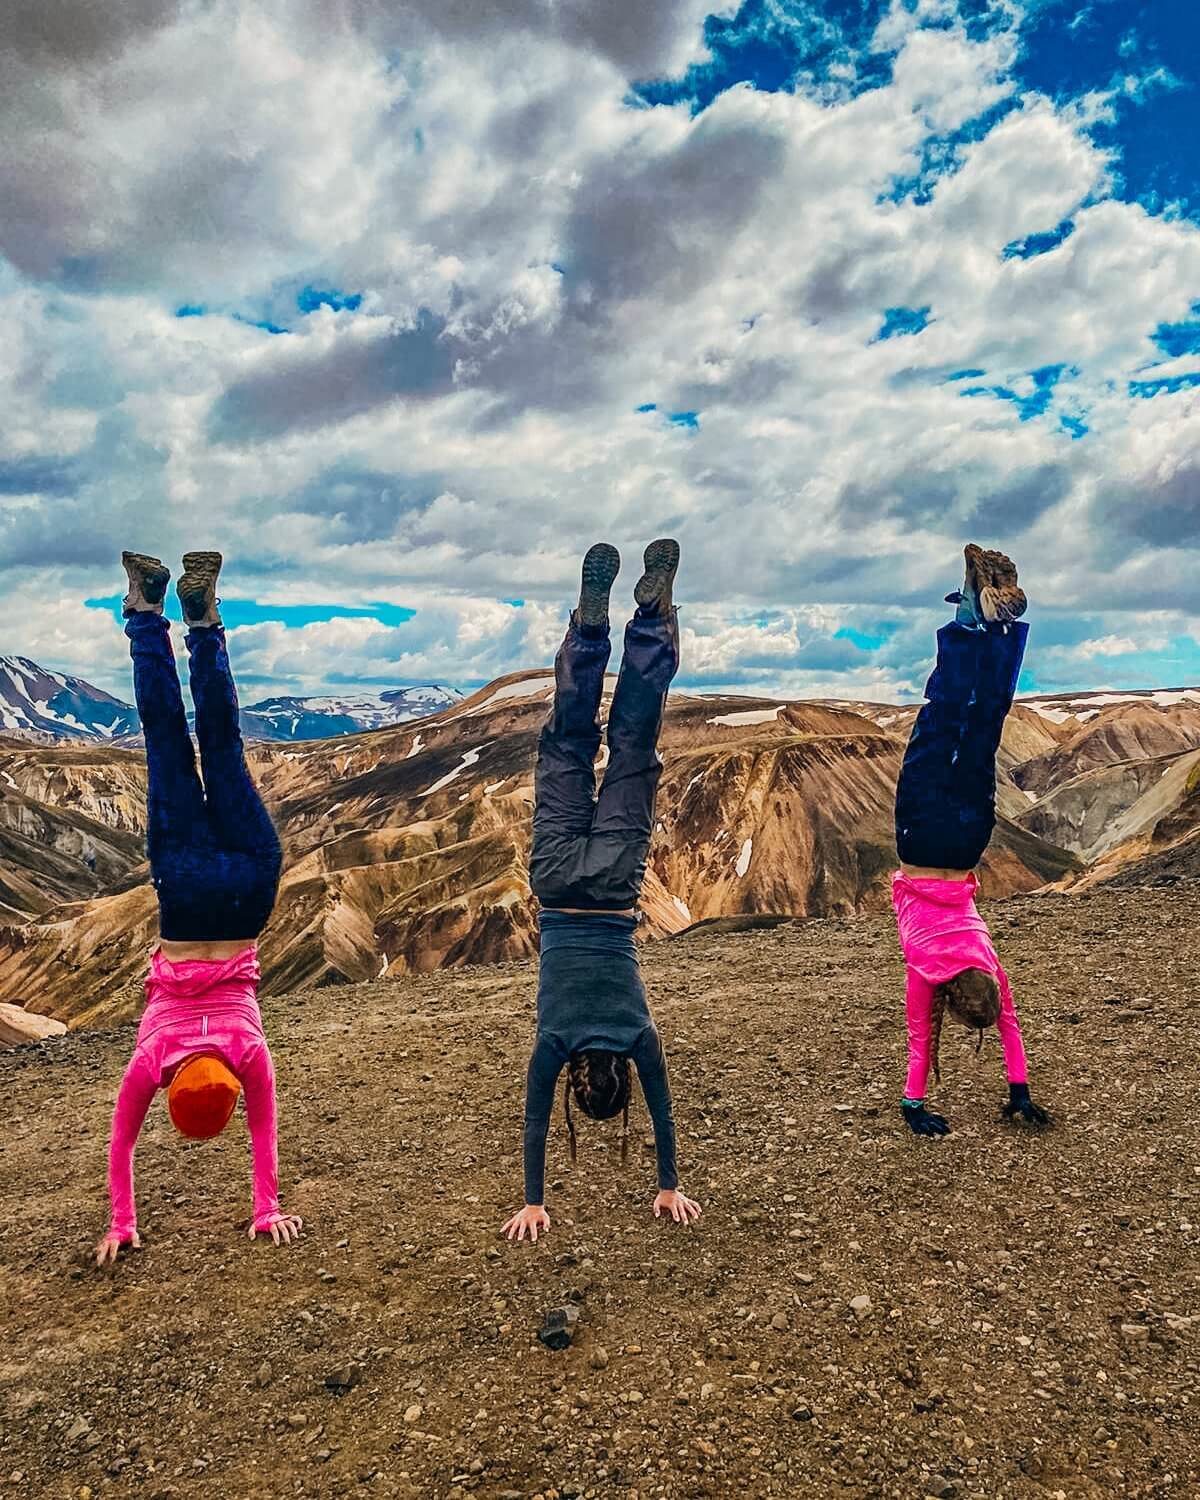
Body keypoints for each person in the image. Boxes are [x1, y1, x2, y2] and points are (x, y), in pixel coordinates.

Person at [95, 550, 300, 1266]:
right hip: (182, 895)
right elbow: (119, 1146)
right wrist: (119, 1222)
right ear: (175, 1090)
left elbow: (265, 1136)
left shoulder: (248, 1055)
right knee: (167, 744)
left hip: (248, 888)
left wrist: (267, 1206)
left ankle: (205, 622)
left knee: (220, 746)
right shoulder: (153, 1060)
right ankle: (147, 610)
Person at [502, 541, 702, 1242]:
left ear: (615, 1076)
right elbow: (531, 1123)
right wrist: (533, 1200)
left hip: (615, 886)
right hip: (557, 884)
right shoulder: (552, 1041)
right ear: (575, 1081)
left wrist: (670, 1182)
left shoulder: (638, 1036)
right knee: (565, 744)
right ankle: (588, 635)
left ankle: (648, 621)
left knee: (635, 745)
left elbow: (666, 1115)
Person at [892, 544, 1051, 1138]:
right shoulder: (928, 973)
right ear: (953, 1003)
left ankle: (995, 624)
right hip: (919, 837)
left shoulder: (989, 963)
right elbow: (916, 1039)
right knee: (941, 717)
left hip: (966, 842)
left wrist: (1021, 1090)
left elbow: (1009, 1025)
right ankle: (969, 621)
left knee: (984, 729)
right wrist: (913, 1106)